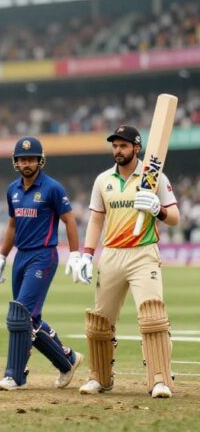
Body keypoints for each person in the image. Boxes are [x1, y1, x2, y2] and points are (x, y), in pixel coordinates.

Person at [75, 125, 180, 398]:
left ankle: (159, 379)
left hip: (143, 253)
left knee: (152, 316)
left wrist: (158, 210)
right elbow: (97, 219)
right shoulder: (103, 180)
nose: (118, 150)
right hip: (111, 254)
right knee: (100, 321)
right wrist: (87, 253)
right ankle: (99, 377)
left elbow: (175, 217)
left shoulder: (153, 177)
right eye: (115, 145)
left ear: (136, 147)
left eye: (123, 145)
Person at [0, 136, 83, 391]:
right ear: (15, 162)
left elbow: (70, 221)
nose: (26, 163)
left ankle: (15, 375)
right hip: (21, 256)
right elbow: (12, 225)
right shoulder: (13, 190)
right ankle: (67, 360)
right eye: (22, 159)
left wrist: (75, 254)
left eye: (31, 159)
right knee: (30, 319)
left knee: (19, 314)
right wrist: (1, 256)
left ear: (40, 161)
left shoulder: (52, 188)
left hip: (43, 255)